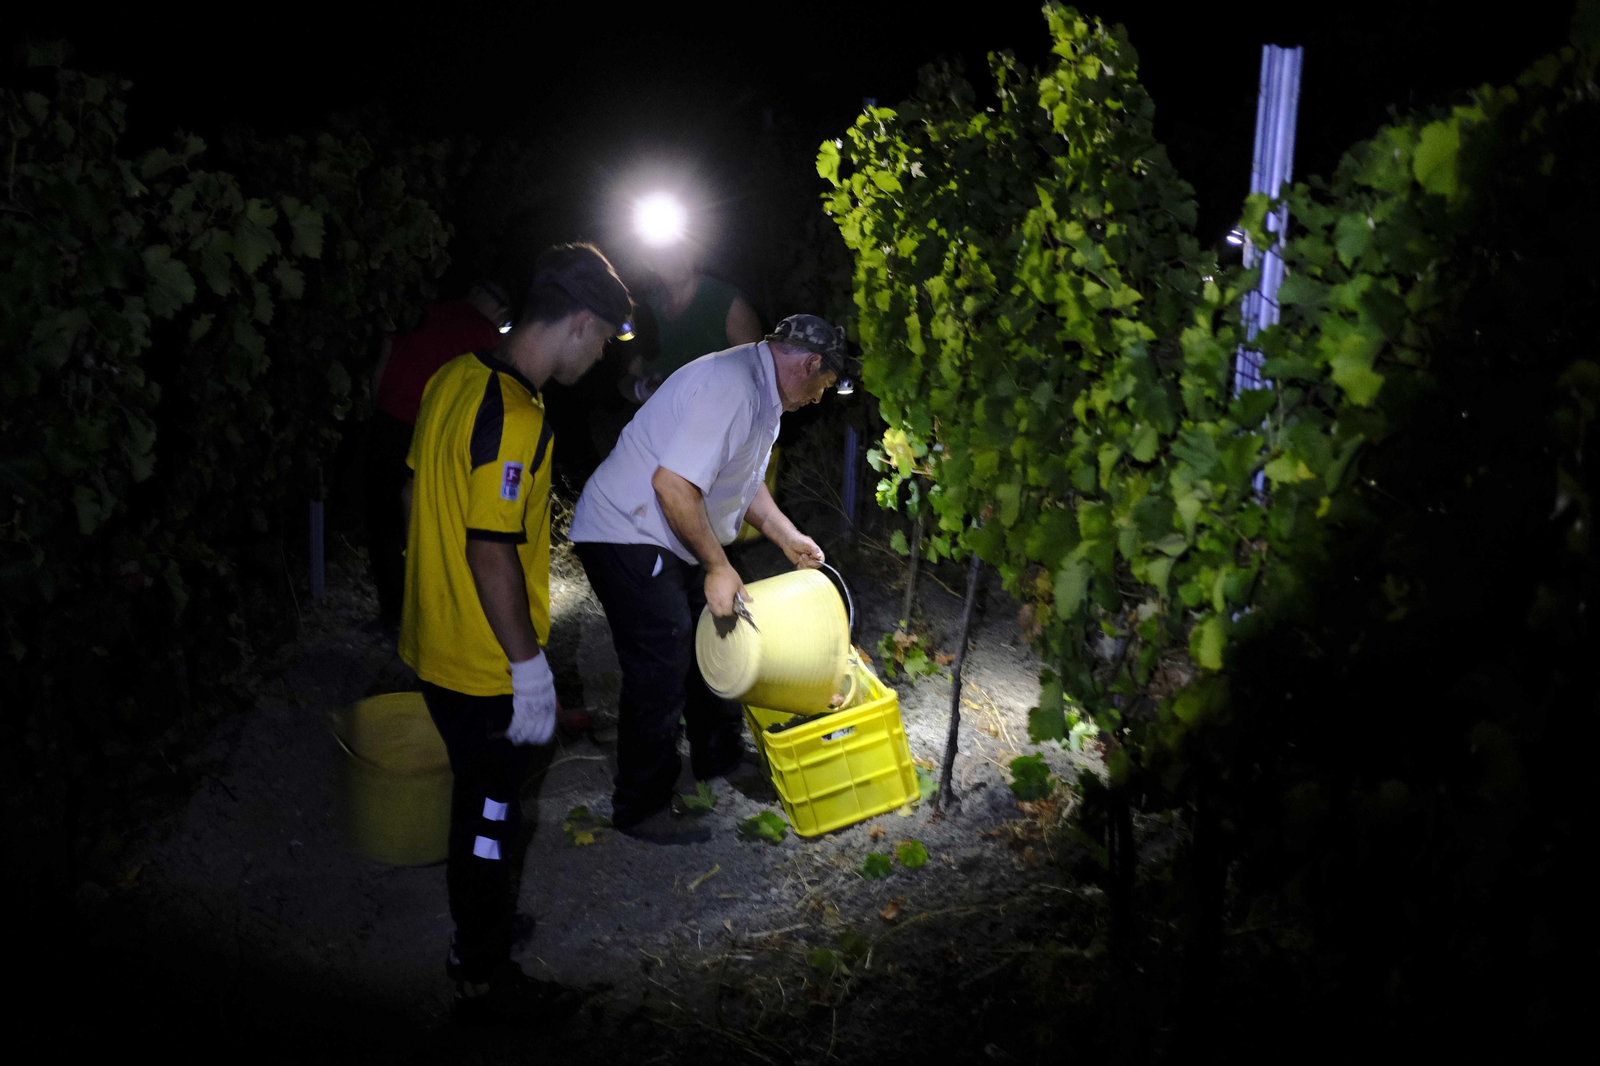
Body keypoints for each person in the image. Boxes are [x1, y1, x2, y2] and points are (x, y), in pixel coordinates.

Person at [400, 243, 632, 1025]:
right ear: (579, 323)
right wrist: (529, 668)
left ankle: (484, 922)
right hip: (482, 667)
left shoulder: (452, 379)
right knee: (491, 820)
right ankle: (482, 978)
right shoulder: (520, 417)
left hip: (435, 645)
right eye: (602, 340)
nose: (599, 357)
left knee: (482, 805)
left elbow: (414, 497)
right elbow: (490, 549)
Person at [568, 314, 854, 842]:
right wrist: (718, 566)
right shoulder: (733, 387)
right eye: (825, 384)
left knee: (721, 628)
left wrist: (785, 535)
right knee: (665, 652)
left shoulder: (762, 392)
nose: (819, 398)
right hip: (626, 528)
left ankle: (719, 757)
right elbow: (672, 485)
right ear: (812, 363)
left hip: (670, 527)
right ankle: (640, 805)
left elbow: (739, 478)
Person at [365, 282, 510, 635]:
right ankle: (429, 618)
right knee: (427, 527)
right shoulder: (487, 336)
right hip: (433, 437)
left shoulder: (420, 312)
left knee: (383, 525)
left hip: (388, 423)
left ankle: (393, 615)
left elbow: (382, 362)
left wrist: (375, 413)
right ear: (500, 313)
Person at [619, 247, 763, 404]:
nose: (676, 258)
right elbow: (627, 380)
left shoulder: (726, 301)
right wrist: (645, 390)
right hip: (664, 418)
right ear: (649, 263)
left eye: (682, 248)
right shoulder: (645, 313)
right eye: (665, 254)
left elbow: (760, 375)